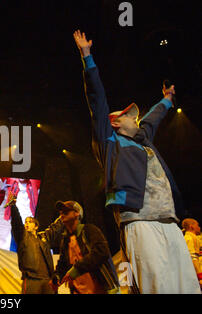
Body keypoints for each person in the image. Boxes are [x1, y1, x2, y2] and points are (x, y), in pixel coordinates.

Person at [73, 29, 200, 293]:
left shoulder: (144, 140)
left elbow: (152, 117)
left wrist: (167, 99)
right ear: (117, 122)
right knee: (157, 286)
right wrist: (87, 57)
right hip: (140, 222)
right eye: (131, 115)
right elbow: (97, 99)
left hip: (169, 220)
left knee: (186, 285)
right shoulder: (110, 141)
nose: (137, 118)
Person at [52, 201, 119, 294]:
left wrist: (76, 269)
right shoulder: (65, 241)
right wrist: (57, 277)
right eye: (60, 212)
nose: (62, 214)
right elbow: (62, 264)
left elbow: (101, 252)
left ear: (77, 213)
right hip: (79, 291)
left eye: (66, 211)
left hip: (100, 289)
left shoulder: (89, 230)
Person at [7, 195, 63, 294]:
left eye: (30, 222)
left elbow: (55, 228)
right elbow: (17, 223)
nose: (27, 224)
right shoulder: (23, 237)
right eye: (26, 222)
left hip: (47, 280)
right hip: (31, 280)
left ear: (36, 226)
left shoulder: (44, 237)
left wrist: (63, 216)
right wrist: (13, 207)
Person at [182, 218, 202, 288]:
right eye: (198, 225)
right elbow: (192, 257)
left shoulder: (193, 237)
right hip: (193, 273)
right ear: (192, 226)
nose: (199, 227)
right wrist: (199, 275)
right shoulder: (188, 238)